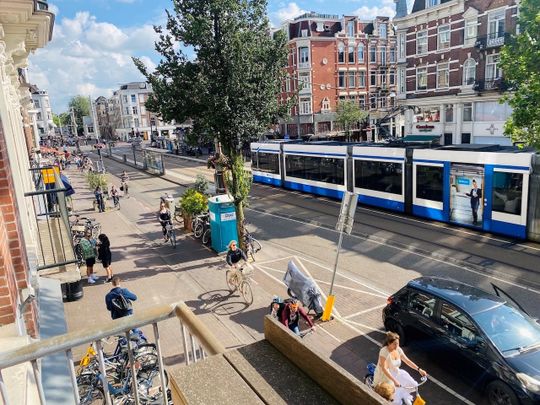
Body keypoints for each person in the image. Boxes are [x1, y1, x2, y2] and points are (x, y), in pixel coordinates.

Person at [373, 332, 427, 405]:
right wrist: (394, 381)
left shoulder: (398, 349)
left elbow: (407, 361)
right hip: (386, 376)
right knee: (395, 399)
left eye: (398, 343)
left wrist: (419, 369)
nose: (397, 346)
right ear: (389, 343)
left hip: (396, 372)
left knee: (413, 384)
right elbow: (384, 369)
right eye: (394, 344)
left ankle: (406, 397)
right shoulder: (384, 351)